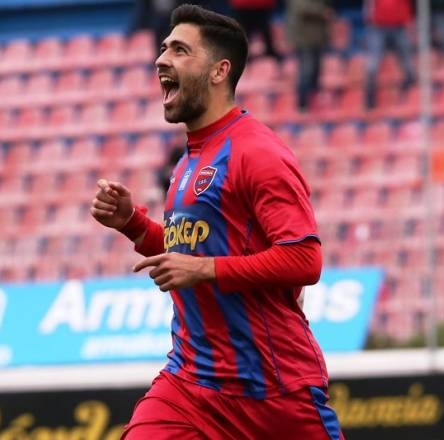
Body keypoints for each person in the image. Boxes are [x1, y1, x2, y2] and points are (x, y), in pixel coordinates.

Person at [90, 5, 343, 439]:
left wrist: (205, 269)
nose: (161, 59)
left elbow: (305, 259)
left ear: (219, 71)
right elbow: (189, 253)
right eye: (164, 48)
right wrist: (132, 223)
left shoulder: (258, 152)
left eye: (180, 50)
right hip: (190, 381)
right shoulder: (189, 159)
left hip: (270, 389)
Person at [363, 0, 416, 109]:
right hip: (379, 27)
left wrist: (410, 24)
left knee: (408, 63)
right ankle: (369, 99)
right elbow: (368, 6)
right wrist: (370, 21)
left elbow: (410, 7)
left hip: (399, 26)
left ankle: (409, 92)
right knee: (373, 64)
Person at [285, 0, 333, 111]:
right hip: (304, 38)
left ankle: (315, 102)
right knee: (307, 70)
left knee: (316, 70)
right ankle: (302, 105)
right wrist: (322, 12)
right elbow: (301, 8)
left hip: (317, 38)